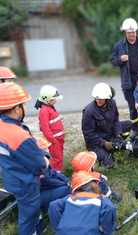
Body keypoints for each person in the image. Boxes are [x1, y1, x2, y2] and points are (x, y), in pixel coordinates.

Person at [0, 82, 69, 235]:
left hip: (12, 178)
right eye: (23, 105)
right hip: (26, 184)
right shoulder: (18, 135)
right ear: (17, 108)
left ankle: (38, 223)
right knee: (28, 216)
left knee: (28, 209)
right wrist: (44, 158)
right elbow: (40, 164)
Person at [111, 17, 138, 137]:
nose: (132, 35)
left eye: (133, 32)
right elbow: (113, 61)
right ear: (125, 33)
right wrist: (120, 59)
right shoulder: (119, 46)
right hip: (128, 82)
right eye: (129, 33)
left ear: (136, 31)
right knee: (133, 107)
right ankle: (135, 129)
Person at [48, 171, 116, 235]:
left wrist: (58, 227)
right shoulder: (101, 199)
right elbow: (110, 208)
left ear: (75, 188)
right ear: (95, 184)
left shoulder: (70, 198)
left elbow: (53, 206)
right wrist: (107, 231)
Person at [82, 83, 131, 168]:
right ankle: (106, 152)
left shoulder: (112, 103)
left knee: (129, 124)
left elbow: (116, 120)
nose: (98, 100)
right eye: (96, 98)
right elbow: (88, 134)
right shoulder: (89, 111)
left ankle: (115, 145)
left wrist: (118, 134)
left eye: (101, 98)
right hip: (96, 143)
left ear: (107, 98)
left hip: (109, 133)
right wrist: (104, 143)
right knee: (110, 164)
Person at [35, 85, 64, 172]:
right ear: (48, 100)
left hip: (58, 140)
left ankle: (58, 174)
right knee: (56, 159)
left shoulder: (50, 107)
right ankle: (53, 175)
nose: (55, 100)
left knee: (59, 159)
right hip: (54, 141)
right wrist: (53, 141)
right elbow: (45, 129)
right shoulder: (44, 111)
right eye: (53, 99)